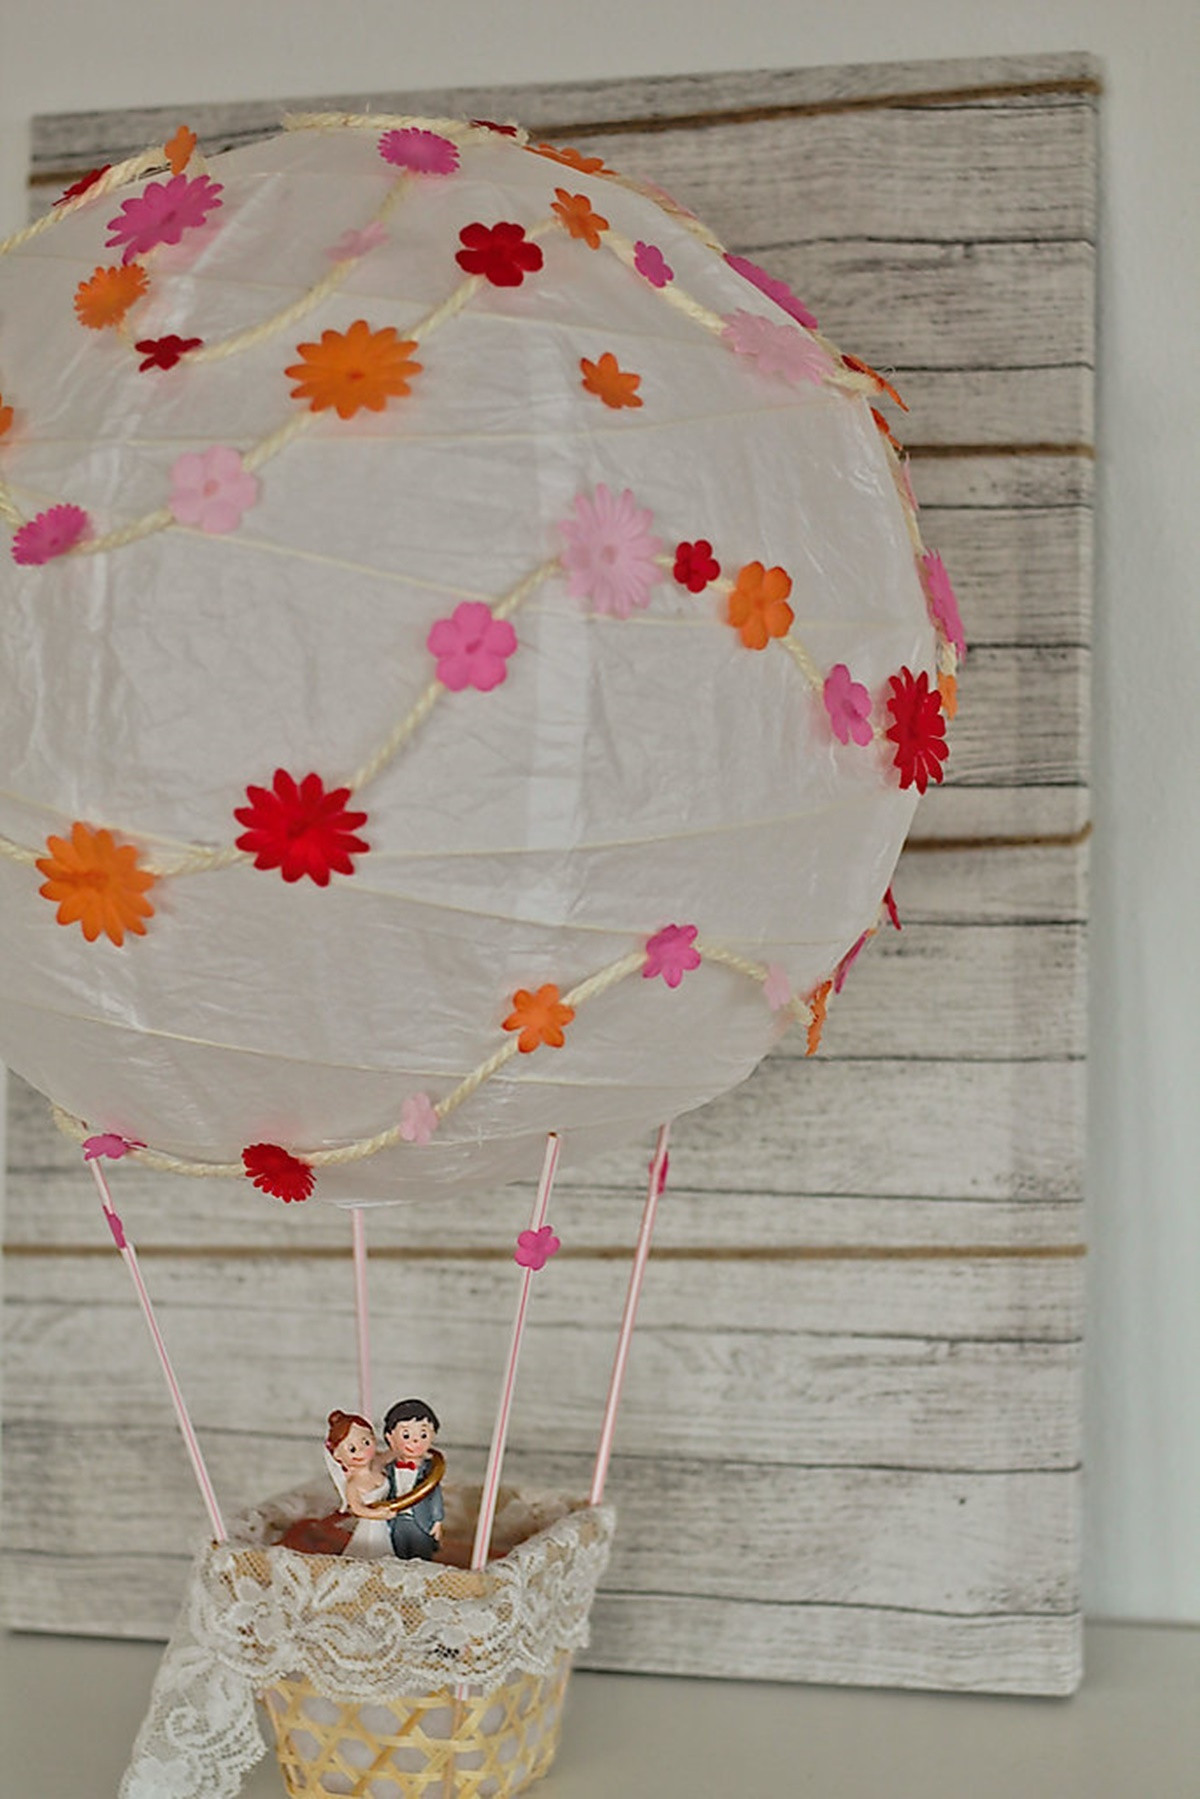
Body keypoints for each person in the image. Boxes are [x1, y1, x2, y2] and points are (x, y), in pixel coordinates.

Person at [325, 1409, 394, 1560]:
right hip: (372, 1526)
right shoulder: (354, 1484)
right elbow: (357, 1509)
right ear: (338, 1455)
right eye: (352, 1449)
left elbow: (392, 1454)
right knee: (372, 1554)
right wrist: (378, 1514)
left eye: (366, 1442)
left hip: (390, 1520)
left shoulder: (377, 1464)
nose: (361, 1451)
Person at [381, 1398, 445, 1560]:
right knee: (397, 1556)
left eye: (423, 1434)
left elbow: (435, 1495)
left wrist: (437, 1520)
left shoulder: (430, 1471)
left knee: (421, 1558)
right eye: (406, 1435)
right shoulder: (388, 1470)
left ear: (433, 1435)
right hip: (395, 1522)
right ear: (390, 1438)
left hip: (421, 1522)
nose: (415, 1440)